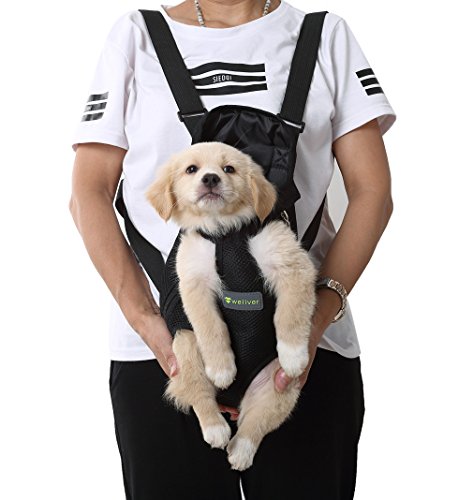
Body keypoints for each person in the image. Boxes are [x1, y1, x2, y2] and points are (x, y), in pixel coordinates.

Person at [69, 1, 396, 498]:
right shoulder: (136, 37)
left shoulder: (324, 35)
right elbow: (88, 194)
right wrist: (148, 323)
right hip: (163, 349)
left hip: (304, 352)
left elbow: (373, 192)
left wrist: (313, 324)